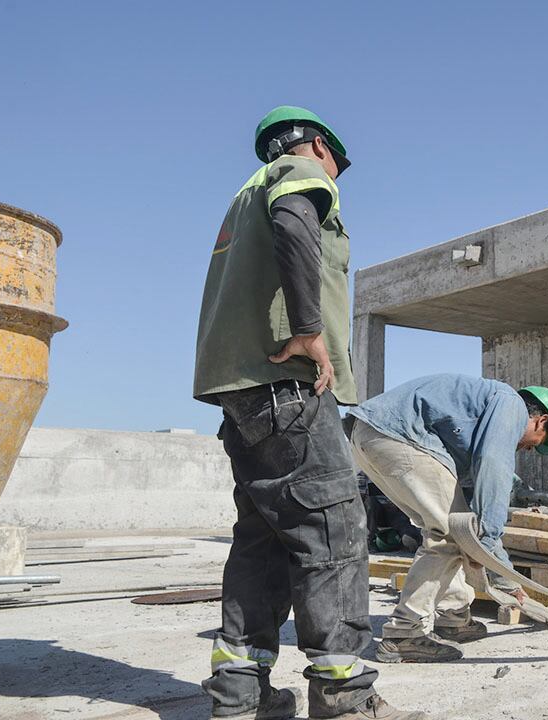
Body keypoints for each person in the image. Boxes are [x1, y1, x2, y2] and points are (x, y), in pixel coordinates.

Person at [193, 105, 425, 720]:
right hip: (291, 387)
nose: (336, 178)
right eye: (337, 165)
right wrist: (308, 329)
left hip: (241, 392)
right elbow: (296, 222)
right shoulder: (299, 172)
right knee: (333, 532)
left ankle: (240, 693)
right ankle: (345, 697)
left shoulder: (241, 198)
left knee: (263, 537)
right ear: (318, 146)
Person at [345, 374, 548, 663]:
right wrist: (490, 549)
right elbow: (494, 465)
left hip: (369, 435)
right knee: (451, 532)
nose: (527, 449)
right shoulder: (512, 405)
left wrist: (483, 547)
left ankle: (453, 614)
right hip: (396, 436)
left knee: (450, 528)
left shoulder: (483, 409)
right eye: (535, 444)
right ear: (541, 421)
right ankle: (404, 633)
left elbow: (482, 471)